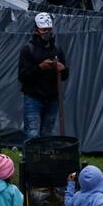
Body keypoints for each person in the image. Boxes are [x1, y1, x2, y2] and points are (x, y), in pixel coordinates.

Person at [18, 13, 68, 142]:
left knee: (47, 134)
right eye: (44, 30)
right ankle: (30, 155)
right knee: (32, 134)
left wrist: (62, 69)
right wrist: (40, 67)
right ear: (36, 30)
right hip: (34, 98)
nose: (47, 32)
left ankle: (44, 155)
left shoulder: (57, 49)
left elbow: (64, 76)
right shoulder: (28, 49)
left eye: (49, 29)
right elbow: (22, 76)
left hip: (52, 98)